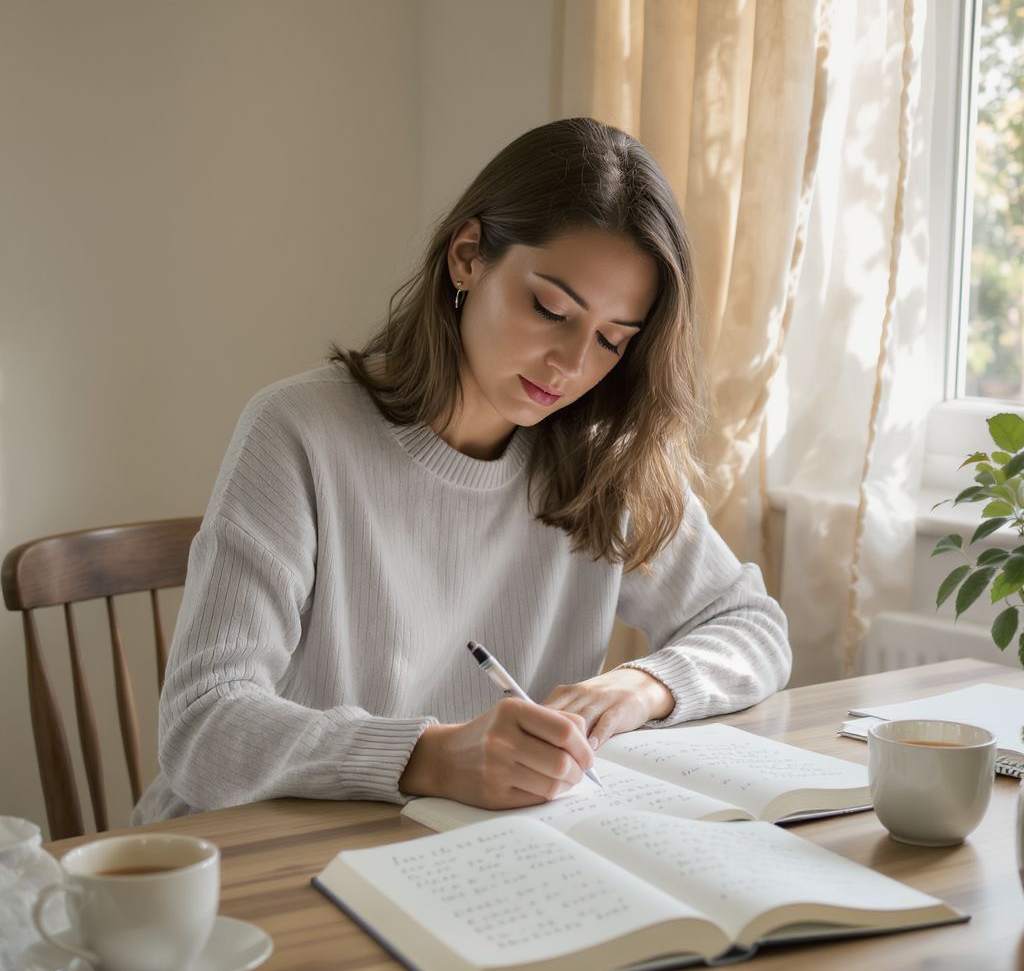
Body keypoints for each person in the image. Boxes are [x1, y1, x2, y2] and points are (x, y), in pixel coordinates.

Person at [132, 117, 791, 824]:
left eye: (610, 340)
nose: (571, 366)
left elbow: (750, 626)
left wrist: (641, 684)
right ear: (468, 256)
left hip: (449, 851)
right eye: (550, 309)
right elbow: (202, 727)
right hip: (250, 857)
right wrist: (434, 756)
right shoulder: (300, 431)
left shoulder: (602, 459)